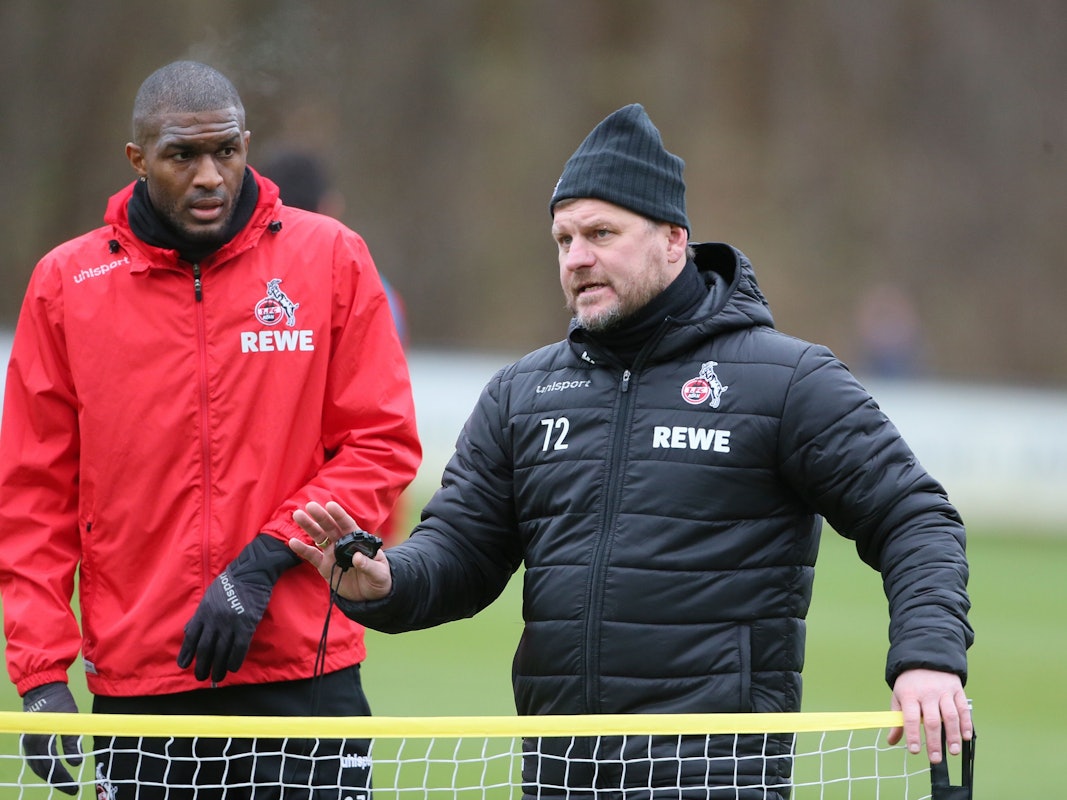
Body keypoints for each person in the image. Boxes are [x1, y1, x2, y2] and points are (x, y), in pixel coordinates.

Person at [289, 104, 973, 799]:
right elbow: (460, 549)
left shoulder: (787, 380)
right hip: (560, 776)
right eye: (562, 239)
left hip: (712, 779)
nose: (576, 258)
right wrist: (387, 581)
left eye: (600, 233)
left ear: (672, 240)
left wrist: (926, 658)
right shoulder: (521, 392)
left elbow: (912, 518)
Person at [0, 60, 421, 799]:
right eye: (182, 155)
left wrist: (259, 563)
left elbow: (380, 443)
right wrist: (38, 676)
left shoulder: (329, 258)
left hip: (304, 671)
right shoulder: (65, 285)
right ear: (138, 160)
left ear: (247, 145)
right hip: (142, 686)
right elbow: (31, 500)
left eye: (225, 151)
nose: (209, 176)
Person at [259, 148, 411, 545]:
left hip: (262, 527)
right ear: (330, 205)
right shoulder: (375, 292)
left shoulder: (224, 287)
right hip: (337, 519)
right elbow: (380, 424)